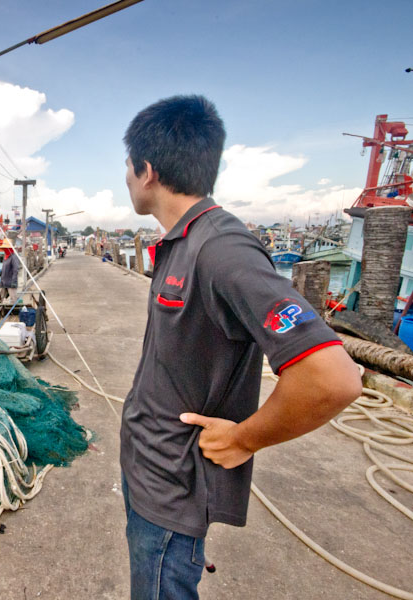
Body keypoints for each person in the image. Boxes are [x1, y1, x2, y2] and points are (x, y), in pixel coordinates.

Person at [118, 95, 361, 599]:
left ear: (146, 171)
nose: (126, 174)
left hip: (173, 490)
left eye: (127, 163)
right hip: (151, 475)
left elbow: (332, 378)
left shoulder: (221, 248)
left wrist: (245, 438)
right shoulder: (182, 241)